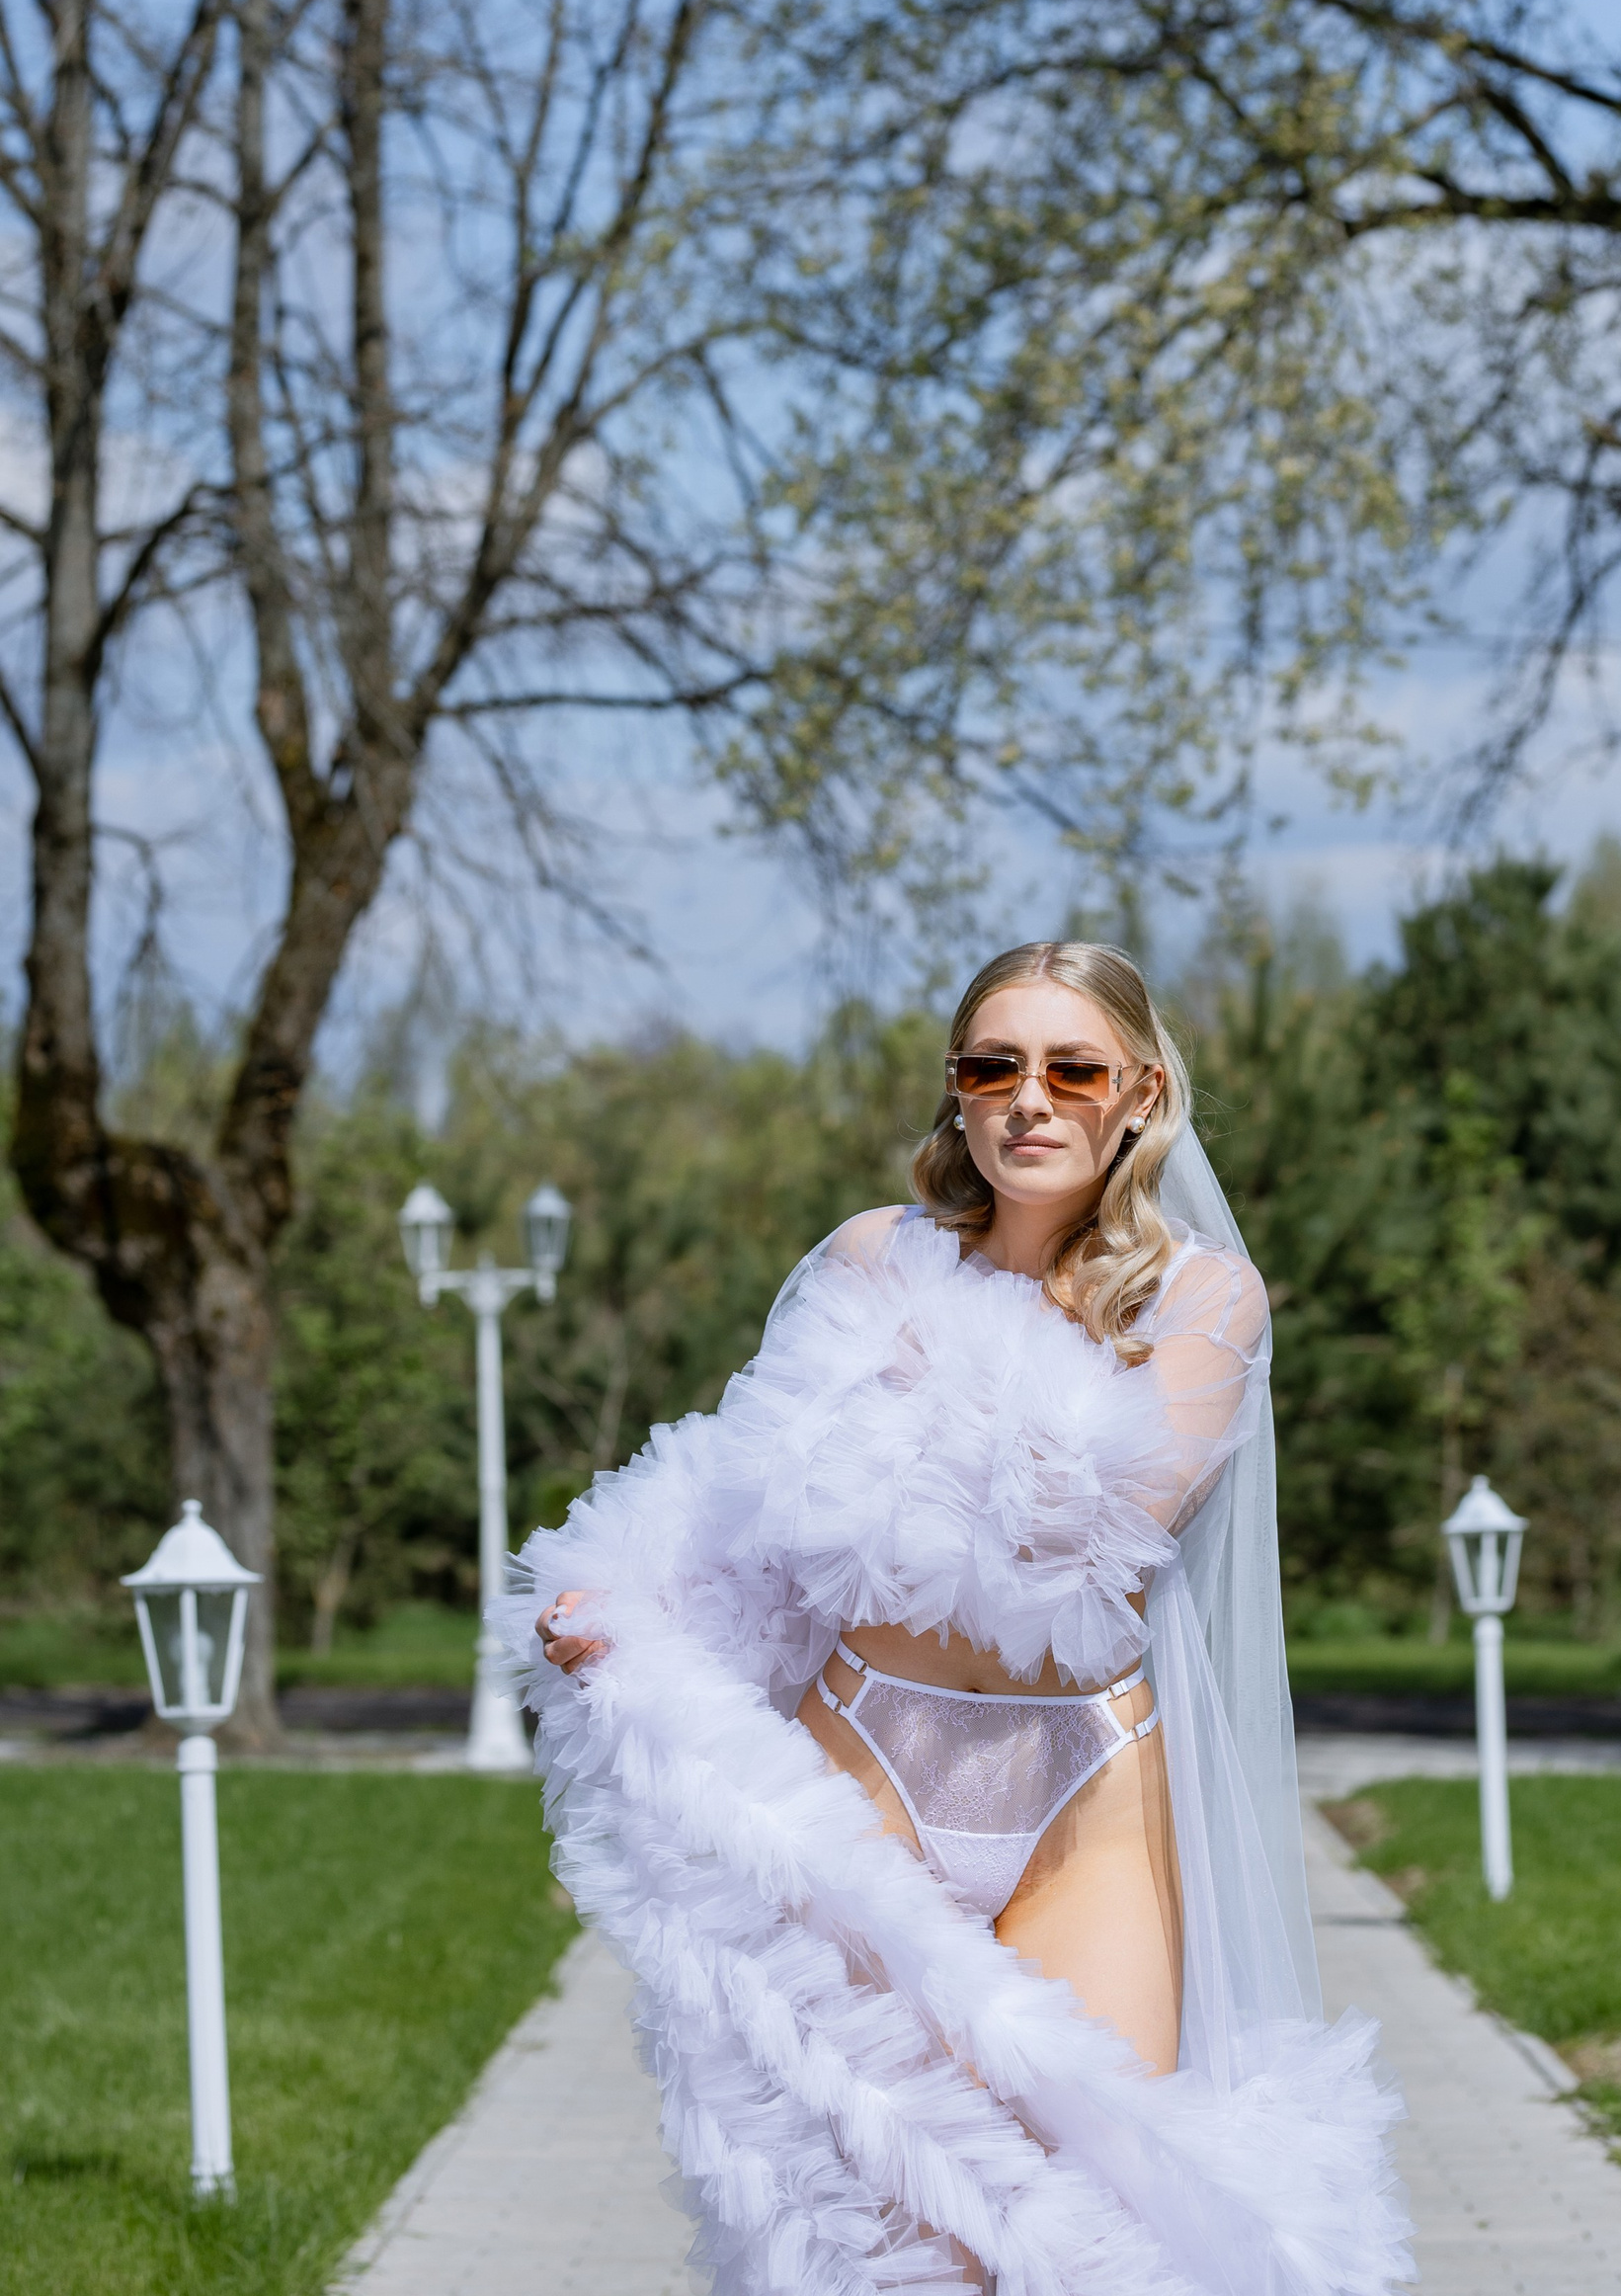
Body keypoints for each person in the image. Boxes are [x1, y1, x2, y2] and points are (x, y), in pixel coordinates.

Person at [508, 940, 1407, 2296]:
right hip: (863, 1762)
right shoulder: (873, 1254)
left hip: (1085, 1782)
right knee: (884, 2219)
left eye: (1072, 1069)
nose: (1028, 1098)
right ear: (958, 1090)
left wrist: (923, 1363)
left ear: (1140, 1093)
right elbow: (753, 1503)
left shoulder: (1202, 1296)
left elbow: (1098, 1532)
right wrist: (625, 1603)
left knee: (1093, 2214)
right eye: (993, 1066)